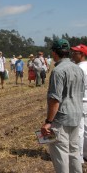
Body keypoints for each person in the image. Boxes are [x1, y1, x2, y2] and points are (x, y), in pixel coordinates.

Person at [40, 39, 85, 173]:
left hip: (61, 119)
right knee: (74, 151)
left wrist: (48, 122)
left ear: (54, 53)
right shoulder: (78, 69)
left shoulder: (58, 71)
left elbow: (54, 99)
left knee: (60, 155)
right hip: (77, 116)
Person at [71, 44, 87, 162]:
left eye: (75, 52)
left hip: (80, 101)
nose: (73, 54)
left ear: (82, 54)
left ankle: (80, 157)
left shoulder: (78, 69)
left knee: (79, 130)